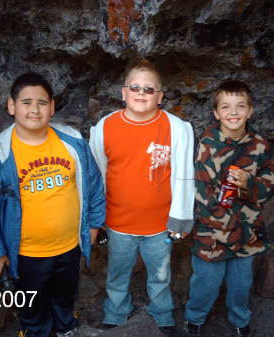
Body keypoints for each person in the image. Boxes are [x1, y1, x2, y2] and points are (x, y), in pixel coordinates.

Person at [0, 72, 105, 337]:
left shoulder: (73, 142)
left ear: (52, 107)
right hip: (28, 253)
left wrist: (95, 223)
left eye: (42, 103)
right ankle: (35, 331)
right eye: (26, 102)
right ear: (11, 106)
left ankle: (66, 325)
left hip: (69, 245)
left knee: (66, 293)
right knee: (32, 303)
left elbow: (93, 185)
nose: (34, 110)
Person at [89, 60, 195, 335]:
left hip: (160, 224)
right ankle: (115, 313)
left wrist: (181, 218)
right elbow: (96, 174)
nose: (141, 93)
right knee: (117, 273)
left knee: (160, 276)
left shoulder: (177, 128)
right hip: (118, 222)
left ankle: (162, 316)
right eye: (134, 87)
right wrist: (96, 218)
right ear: (123, 92)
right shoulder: (105, 127)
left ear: (160, 96)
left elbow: (185, 175)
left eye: (149, 89)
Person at [184, 80, 274, 337]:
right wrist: (222, 221)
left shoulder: (260, 145)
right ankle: (195, 317)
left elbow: (273, 183)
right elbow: (201, 191)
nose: (234, 112)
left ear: (250, 110)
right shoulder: (208, 144)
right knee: (206, 281)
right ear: (216, 113)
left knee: (242, 282)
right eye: (226, 107)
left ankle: (240, 319)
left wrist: (249, 184)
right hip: (213, 231)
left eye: (241, 106)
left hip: (248, 230)